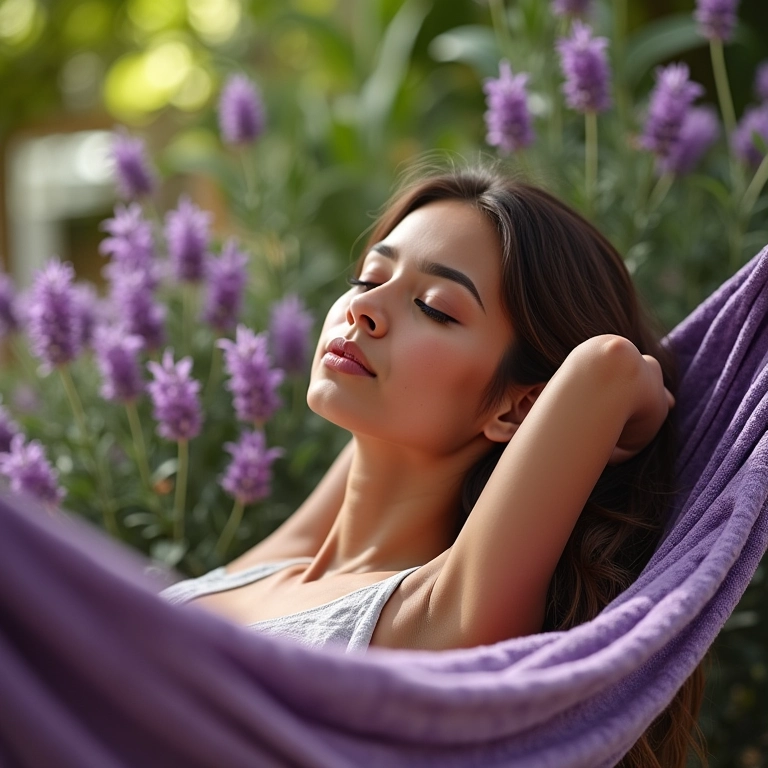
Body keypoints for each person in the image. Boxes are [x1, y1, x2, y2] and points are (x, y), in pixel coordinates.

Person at [161, 166, 706, 767]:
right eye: (367, 275)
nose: (362, 308)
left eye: (433, 307)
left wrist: (629, 388)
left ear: (520, 405)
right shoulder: (280, 565)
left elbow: (607, 365)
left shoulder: (432, 623)